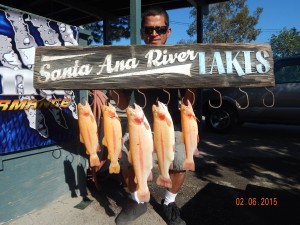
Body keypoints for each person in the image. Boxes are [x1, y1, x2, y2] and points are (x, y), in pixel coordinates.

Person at [109, 6, 197, 225]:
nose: (154, 34)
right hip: (139, 123)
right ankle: (137, 199)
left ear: (168, 32)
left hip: (171, 123)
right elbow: (121, 102)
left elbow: (187, 101)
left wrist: (196, 84)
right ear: (142, 33)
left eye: (160, 29)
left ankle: (169, 202)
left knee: (180, 160)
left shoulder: (182, 59)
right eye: (149, 30)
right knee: (126, 161)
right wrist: (110, 87)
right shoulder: (130, 61)